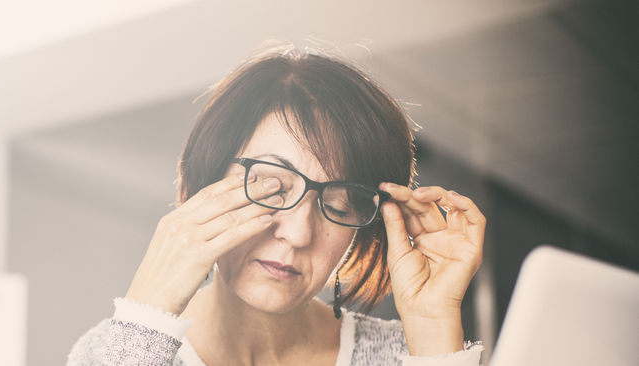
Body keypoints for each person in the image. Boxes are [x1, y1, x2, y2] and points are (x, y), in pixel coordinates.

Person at [67, 41, 485, 366]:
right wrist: (145, 322)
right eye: (270, 186)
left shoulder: (410, 356)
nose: (299, 232)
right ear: (203, 182)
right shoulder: (115, 351)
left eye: (338, 204)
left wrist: (433, 330)